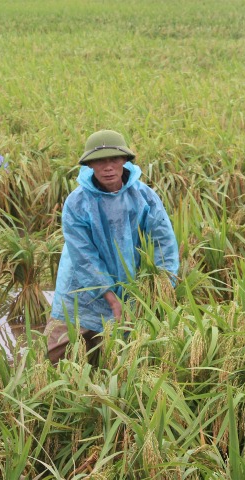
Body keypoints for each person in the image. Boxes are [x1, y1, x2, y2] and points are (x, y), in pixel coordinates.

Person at [46, 130, 179, 365]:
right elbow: (83, 256)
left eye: (114, 159)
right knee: (54, 360)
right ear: (90, 164)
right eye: (100, 160)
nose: (108, 167)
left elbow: (164, 245)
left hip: (129, 288)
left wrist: (160, 289)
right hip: (79, 290)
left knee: (115, 361)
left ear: (125, 161)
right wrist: (108, 295)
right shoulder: (77, 202)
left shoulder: (144, 197)